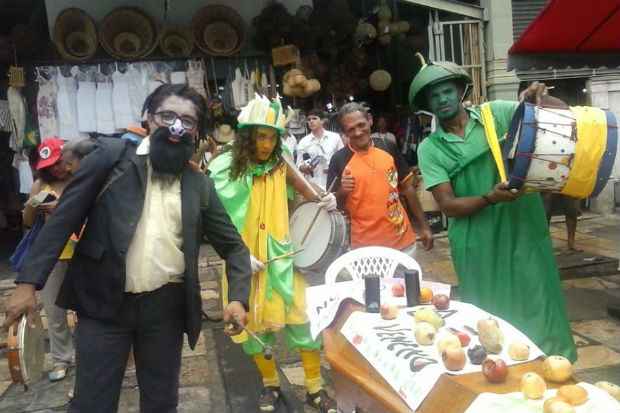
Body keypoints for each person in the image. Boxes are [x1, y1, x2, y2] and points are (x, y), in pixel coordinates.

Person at [4, 84, 252, 412]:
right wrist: (27, 284)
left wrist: (237, 298)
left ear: (195, 132)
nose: (177, 126)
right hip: (104, 305)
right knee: (93, 403)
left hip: (165, 310)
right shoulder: (111, 158)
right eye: (167, 116)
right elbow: (63, 220)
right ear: (148, 119)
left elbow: (234, 247)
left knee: (161, 403)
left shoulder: (199, 185)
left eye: (188, 121)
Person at [410, 60, 576, 361]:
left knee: (537, 295)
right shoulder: (430, 148)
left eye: (447, 91)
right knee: (489, 312)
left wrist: (540, 98)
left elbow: (558, 117)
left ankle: (551, 366)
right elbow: (447, 205)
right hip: (477, 239)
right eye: (434, 96)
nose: (442, 99)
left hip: (522, 226)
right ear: (427, 105)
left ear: (460, 91)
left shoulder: (496, 113)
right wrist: (490, 198)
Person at [208, 95, 338, 413]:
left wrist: (326, 200)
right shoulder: (221, 168)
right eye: (261, 136)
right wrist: (237, 254)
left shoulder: (281, 164)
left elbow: (308, 192)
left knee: (303, 321)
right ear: (247, 136)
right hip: (244, 264)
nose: (266, 144)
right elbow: (212, 220)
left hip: (282, 259)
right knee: (251, 328)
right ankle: (270, 386)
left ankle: (314, 389)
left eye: (272, 137)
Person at [327, 102, 434, 256]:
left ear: (370, 120)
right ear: (344, 132)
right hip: (365, 248)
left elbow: (408, 189)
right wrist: (343, 190)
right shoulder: (338, 160)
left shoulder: (388, 147)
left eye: (361, 125)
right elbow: (334, 205)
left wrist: (424, 226)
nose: (357, 132)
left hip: (402, 243)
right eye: (351, 129)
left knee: (405, 281)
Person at [21, 137, 74, 382]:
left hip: (80, 252)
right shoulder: (39, 185)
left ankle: (89, 356)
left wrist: (61, 208)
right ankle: (62, 358)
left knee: (87, 308)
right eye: (49, 165)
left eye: (58, 162)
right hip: (51, 256)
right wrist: (33, 205)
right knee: (54, 310)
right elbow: (29, 222)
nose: (55, 169)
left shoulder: (79, 180)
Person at [296, 109, 343, 190]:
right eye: (309, 119)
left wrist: (333, 168)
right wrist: (306, 168)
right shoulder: (303, 142)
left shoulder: (335, 137)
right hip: (312, 185)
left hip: (332, 183)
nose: (311, 121)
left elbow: (342, 158)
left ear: (322, 121)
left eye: (314, 118)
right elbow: (298, 165)